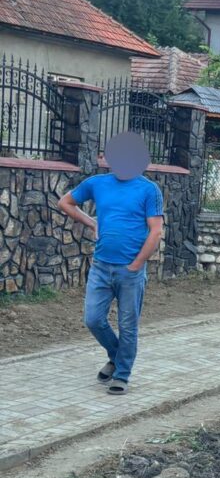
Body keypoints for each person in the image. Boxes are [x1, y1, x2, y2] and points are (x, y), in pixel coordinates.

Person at [56, 133, 163, 395]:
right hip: (101, 266)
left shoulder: (149, 190)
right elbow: (65, 202)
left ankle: (122, 374)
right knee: (93, 319)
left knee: (128, 325)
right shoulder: (97, 183)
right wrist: (92, 223)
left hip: (130, 270)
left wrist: (136, 265)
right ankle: (116, 357)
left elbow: (156, 232)